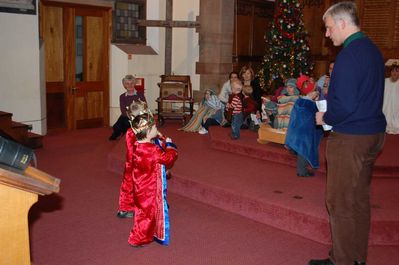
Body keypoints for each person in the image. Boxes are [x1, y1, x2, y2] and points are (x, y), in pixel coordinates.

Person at [312, 2, 386, 265]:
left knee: (340, 202)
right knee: (358, 200)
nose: (327, 34)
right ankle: (356, 257)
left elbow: (345, 105)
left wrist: (325, 117)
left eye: (330, 28)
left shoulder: (349, 55)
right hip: (373, 133)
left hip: (351, 138)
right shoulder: (373, 50)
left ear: (343, 23)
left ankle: (341, 261)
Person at [127, 109, 178, 247]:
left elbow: (153, 161)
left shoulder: (138, 146)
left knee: (142, 212)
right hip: (149, 189)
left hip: (139, 186)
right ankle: (137, 238)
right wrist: (170, 146)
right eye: (155, 127)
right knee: (147, 215)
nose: (157, 128)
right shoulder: (152, 150)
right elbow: (168, 159)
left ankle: (144, 233)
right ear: (148, 132)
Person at [109, 74, 146, 141]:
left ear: (134, 84)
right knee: (118, 125)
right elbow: (123, 111)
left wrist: (136, 115)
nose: (130, 85)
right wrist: (130, 116)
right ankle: (118, 133)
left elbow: (144, 106)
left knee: (126, 122)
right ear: (124, 85)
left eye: (132, 83)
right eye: (127, 83)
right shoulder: (122, 96)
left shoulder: (140, 94)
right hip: (127, 115)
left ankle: (126, 133)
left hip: (139, 115)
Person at [382, 62, 399, 134]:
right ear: (390, 72)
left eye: (397, 71)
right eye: (393, 71)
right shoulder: (385, 81)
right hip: (386, 107)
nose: (394, 73)